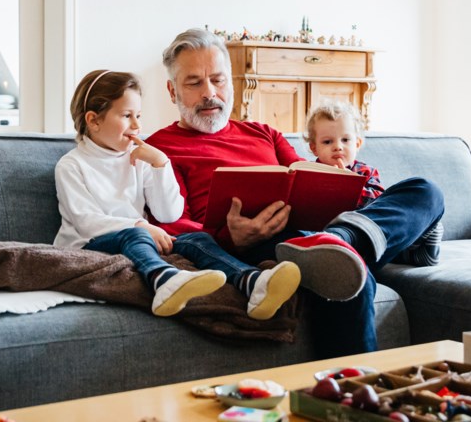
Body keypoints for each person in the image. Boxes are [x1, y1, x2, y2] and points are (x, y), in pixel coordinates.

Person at [146, 28, 445, 354]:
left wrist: (336, 184)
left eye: (218, 80)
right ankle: (348, 391)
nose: (209, 93)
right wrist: (232, 238)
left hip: (316, 232)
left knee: (425, 191)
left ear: (231, 82)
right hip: (258, 246)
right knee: (347, 278)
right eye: (194, 83)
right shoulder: (158, 150)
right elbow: (175, 227)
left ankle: (345, 240)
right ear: (172, 91)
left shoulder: (264, 133)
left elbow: (306, 178)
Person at [53, 69, 301, 320]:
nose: (137, 126)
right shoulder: (72, 166)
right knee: (137, 234)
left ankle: (252, 281)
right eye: (127, 116)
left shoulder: (139, 158)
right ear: (94, 121)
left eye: (138, 115)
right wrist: (140, 225)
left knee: (196, 239)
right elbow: (86, 222)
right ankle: (163, 280)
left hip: (140, 238)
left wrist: (161, 165)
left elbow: (168, 212)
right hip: (89, 245)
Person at [304, 100, 443, 267]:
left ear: (357, 144)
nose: (338, 147)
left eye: (345, 140)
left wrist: (350, 186)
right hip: (321, 231)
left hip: (365, 229)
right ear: (314, 148)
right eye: (327, 142)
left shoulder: (365, 172)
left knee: (424, 190)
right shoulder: (309, 173)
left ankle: (416, 248)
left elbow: (379, 203)